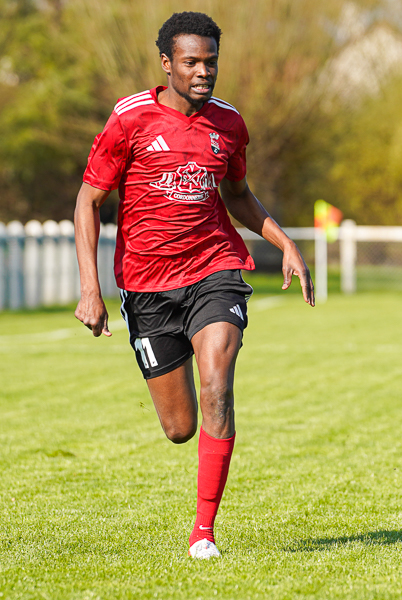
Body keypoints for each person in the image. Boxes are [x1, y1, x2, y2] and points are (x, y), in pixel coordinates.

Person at [73, 11, 314, 559]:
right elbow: (89, 199)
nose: (204, 72)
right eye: (192, 63)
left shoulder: (230, 124)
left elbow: (238, 195)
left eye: (211, 62)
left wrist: (285, 242)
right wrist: (91, 288)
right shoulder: (130, 119)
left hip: (214, 269)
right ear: (167, 64)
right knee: (180, 427)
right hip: (146, 287)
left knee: (217, 384)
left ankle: (203, 532)